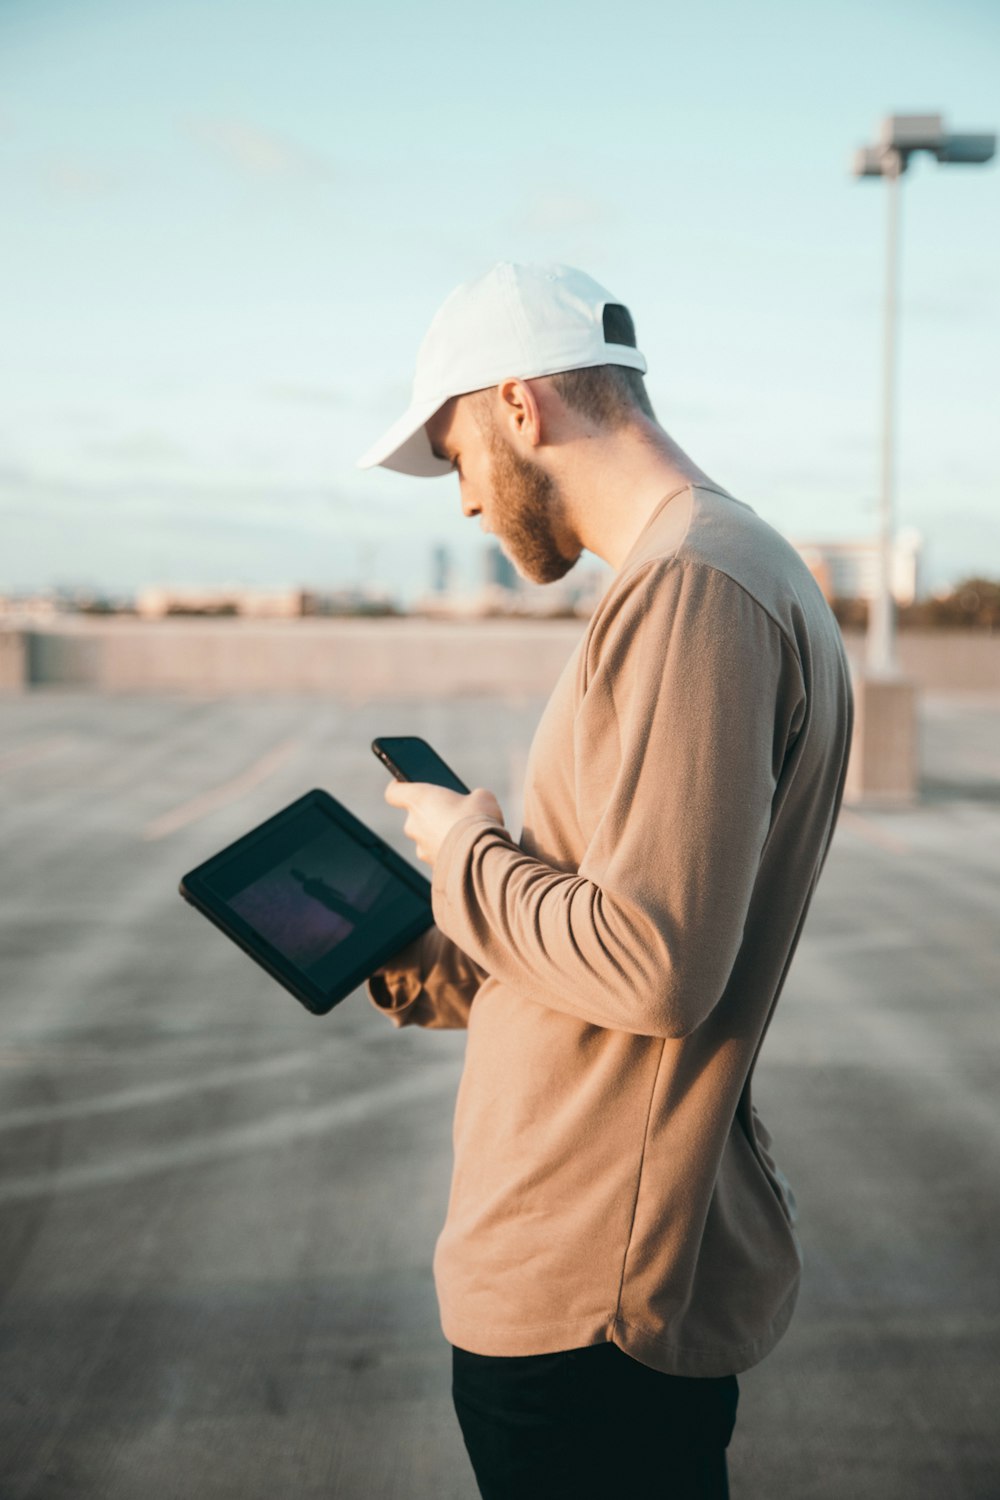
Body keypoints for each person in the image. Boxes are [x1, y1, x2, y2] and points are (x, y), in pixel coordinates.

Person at [355, 262, 854, 1499]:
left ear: (521, 408)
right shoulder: (710, 572)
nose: (465, 500)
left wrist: (467, 847)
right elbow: (620, 931)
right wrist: (438, 952)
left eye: (455, 450)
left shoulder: (695, 584)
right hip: (589, 1270)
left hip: (587, 1291)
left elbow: (656, 964)